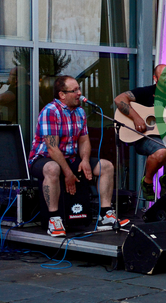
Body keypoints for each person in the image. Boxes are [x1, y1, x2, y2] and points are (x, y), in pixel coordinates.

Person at [29, 75, 122, 237]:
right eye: (75, 90)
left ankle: (105, 215)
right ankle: (54, 219)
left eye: (79, 89)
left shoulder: (79, 112)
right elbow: (52, 148)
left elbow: (84, 140)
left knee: (106, 166)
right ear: (62, 95)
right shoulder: (50, 111)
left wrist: (85, 160)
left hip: (70, 157)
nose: (79, 93)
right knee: (52, 168)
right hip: (44, 159)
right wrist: (68, 174)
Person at [114, 64, 166, 200]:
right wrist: (136, 118)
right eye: (164, 75)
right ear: (155, 78)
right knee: (162, 151)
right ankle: (148, 182)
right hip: (144, 137)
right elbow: (119, 99)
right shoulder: (146, 92)